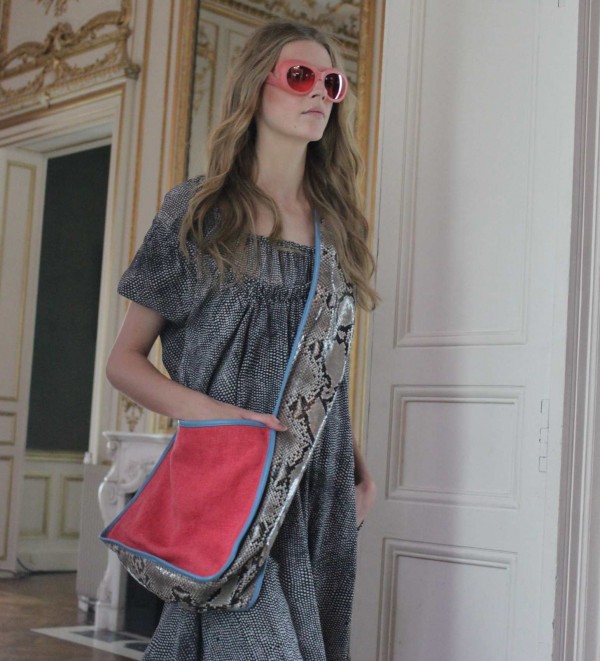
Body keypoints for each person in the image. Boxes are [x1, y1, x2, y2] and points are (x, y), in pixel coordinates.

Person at [106, 19, 378, 661]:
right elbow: (124, 362)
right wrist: (219, 418)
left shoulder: (338, 226)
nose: (320, 94)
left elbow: (324, 371)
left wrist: (359, 471)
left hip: (317, 484)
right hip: (231, 479)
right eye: (300, 76)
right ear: (256, 85)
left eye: (332, 83)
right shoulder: (200, 212)